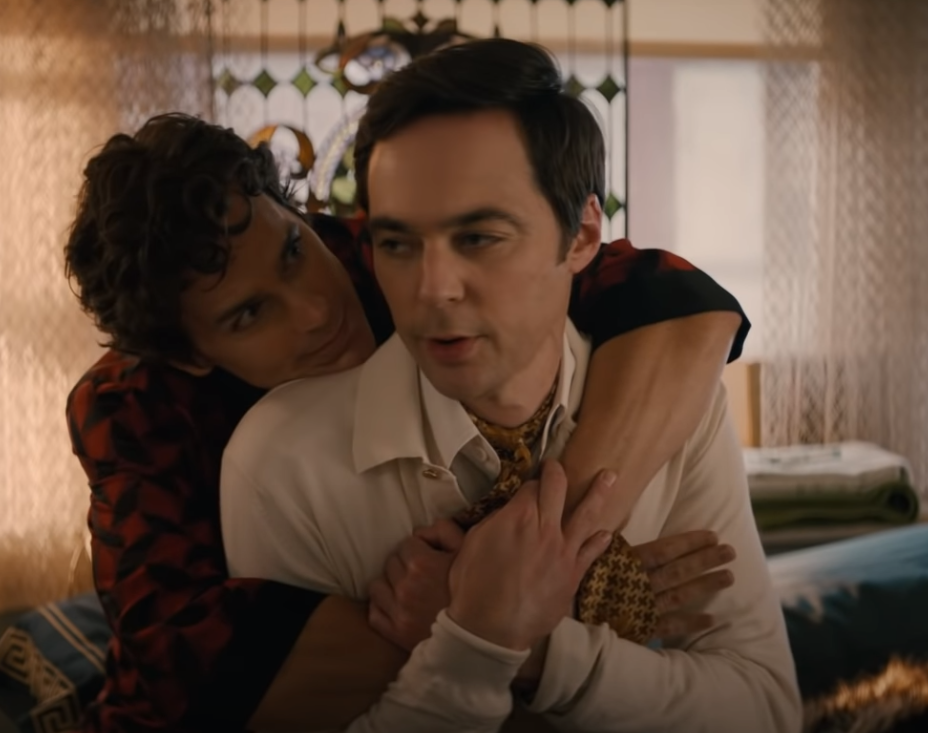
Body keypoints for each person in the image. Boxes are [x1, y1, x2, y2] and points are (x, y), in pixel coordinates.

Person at [64, 102, 748, 732]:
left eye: (294, 251)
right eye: (249, 314)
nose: (316, 308)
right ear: (188, 355)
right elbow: (189, 658)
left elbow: (681, 300)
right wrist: (492, 616)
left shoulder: (381, 253)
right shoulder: (131, 407)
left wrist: (549, 573)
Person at [220, 38, 800, 732]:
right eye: (398, 244)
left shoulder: (683, 403)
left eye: (479, 238)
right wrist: (484, 637)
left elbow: (765, 710)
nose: (433, 290)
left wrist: (529, 648)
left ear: (581, 236)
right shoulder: (280, 464)